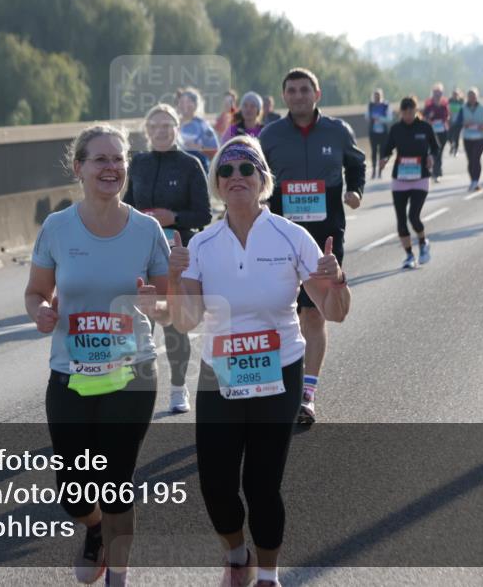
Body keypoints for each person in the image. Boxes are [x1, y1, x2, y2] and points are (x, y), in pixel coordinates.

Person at [168, 136, 350, 587]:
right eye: (225, 171)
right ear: (216, 184)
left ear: (262, 178)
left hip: (279, 368)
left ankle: (267, 573)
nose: (236, 178)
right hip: (221, 372)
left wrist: (337, 280)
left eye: (246, 168)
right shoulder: (203, 244)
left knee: (263, 484)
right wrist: (174, 281)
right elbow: (186, 320)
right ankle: (236, 554)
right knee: (215, 483)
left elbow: (336, 312)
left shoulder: (292, 236)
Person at [25, 123, 170, 587]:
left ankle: (118, 577)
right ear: (79, 167)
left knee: (115, 476)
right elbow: (35, 292)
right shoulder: (57, 227)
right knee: (73, 487)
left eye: (118, 159)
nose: (111, 168)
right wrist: (41, 314)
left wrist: (157, 305)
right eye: (101, 159)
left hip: (132, 372)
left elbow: (170, 306)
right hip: (70, 371)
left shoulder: (147, 230)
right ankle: (93, 531)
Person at [259, 67, 365, 425]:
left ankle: (307, 394)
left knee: (313, 314)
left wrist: (355, 190)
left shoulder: (337, 131)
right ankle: (274, 385)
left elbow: (357, 162)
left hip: (325, 238)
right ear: (284, 96)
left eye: (305, 90)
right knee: (274, 312)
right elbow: (256, 177)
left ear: (317, 94)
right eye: (292, 90)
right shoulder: (270, 135)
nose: (299, 95)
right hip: (277, 237)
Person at [124, 104, 211, 413]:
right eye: (155, 126)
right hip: (142, 252)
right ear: (147, 132)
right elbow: (126, 206)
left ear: (177, 129)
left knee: (174, 324)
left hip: (177, 252)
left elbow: (203, 214)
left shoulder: (190, 165)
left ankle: (178, 388)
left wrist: (172, 216)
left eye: (167, 125)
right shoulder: (139, 164)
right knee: (140, 322)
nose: (161, 131)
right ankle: (137, 388)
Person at [379, 96, 439, 268]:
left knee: (413, 216)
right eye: (405, 112)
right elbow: (388, 147)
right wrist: (384, 158)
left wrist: (431, 157)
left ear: (416, 110)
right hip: (401, 178)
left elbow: (435, 146)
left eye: (411, 112)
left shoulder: (425, 127)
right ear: (401, 112)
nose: (408, 115)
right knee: (400, 220)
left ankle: (422, 242)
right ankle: (409, 256)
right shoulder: (396, 129)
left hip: (420, 177)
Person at [453, 88, 483, 191]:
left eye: (473, 96)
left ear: (477, 97)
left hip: (480, 137)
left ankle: (476, 181)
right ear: (467, 97)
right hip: (468, 138)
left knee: (476, 158)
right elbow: (458, 122)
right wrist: (464, 124)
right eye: (470, 96)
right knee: (470, 160)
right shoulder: (463, 108)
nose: (472, 98)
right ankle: (472, 181)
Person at [176, 87, 219, 170]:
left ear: (195, 105)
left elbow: (215, 150)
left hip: (198, 169)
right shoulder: (172, 124)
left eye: (188, 101)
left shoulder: (203, 125)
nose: (185, 105)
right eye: (182, 102)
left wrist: (200, 148)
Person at [422, 83, 450, 182]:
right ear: (433, 93)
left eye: (439, 93)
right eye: (436, 93)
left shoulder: (444, 104)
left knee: (440, 152)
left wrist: (444, 120)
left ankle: (437, 171)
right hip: (431, 132)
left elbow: (447, 116)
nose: (438, 95)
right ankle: (434, 171)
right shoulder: (429, 104)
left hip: (442, 131)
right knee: (433, 152)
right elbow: (424, 116)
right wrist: (429, 117)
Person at [367, 89, 392, 178]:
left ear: (381, 96)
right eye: (375, 96)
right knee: (374, 151)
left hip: (383, 132)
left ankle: (380, 171)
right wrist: (372, 118)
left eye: (378, 96)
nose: (377, 98)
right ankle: (373, 171)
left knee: (382, 152)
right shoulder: (370, 105)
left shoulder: (385, 105)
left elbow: (389, 118)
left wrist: (380, 119)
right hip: (373, 132)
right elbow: (366, 116)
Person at [447, 88, 464, 156]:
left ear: (459, 95)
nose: (455, 95)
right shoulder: (449, 101)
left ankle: (456, 150)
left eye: (456, 94)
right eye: (454, 94)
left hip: (458, 122)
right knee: (448, 136)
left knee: (456, 137)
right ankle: (452, 145)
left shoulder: (461, 101)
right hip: (450, 121)